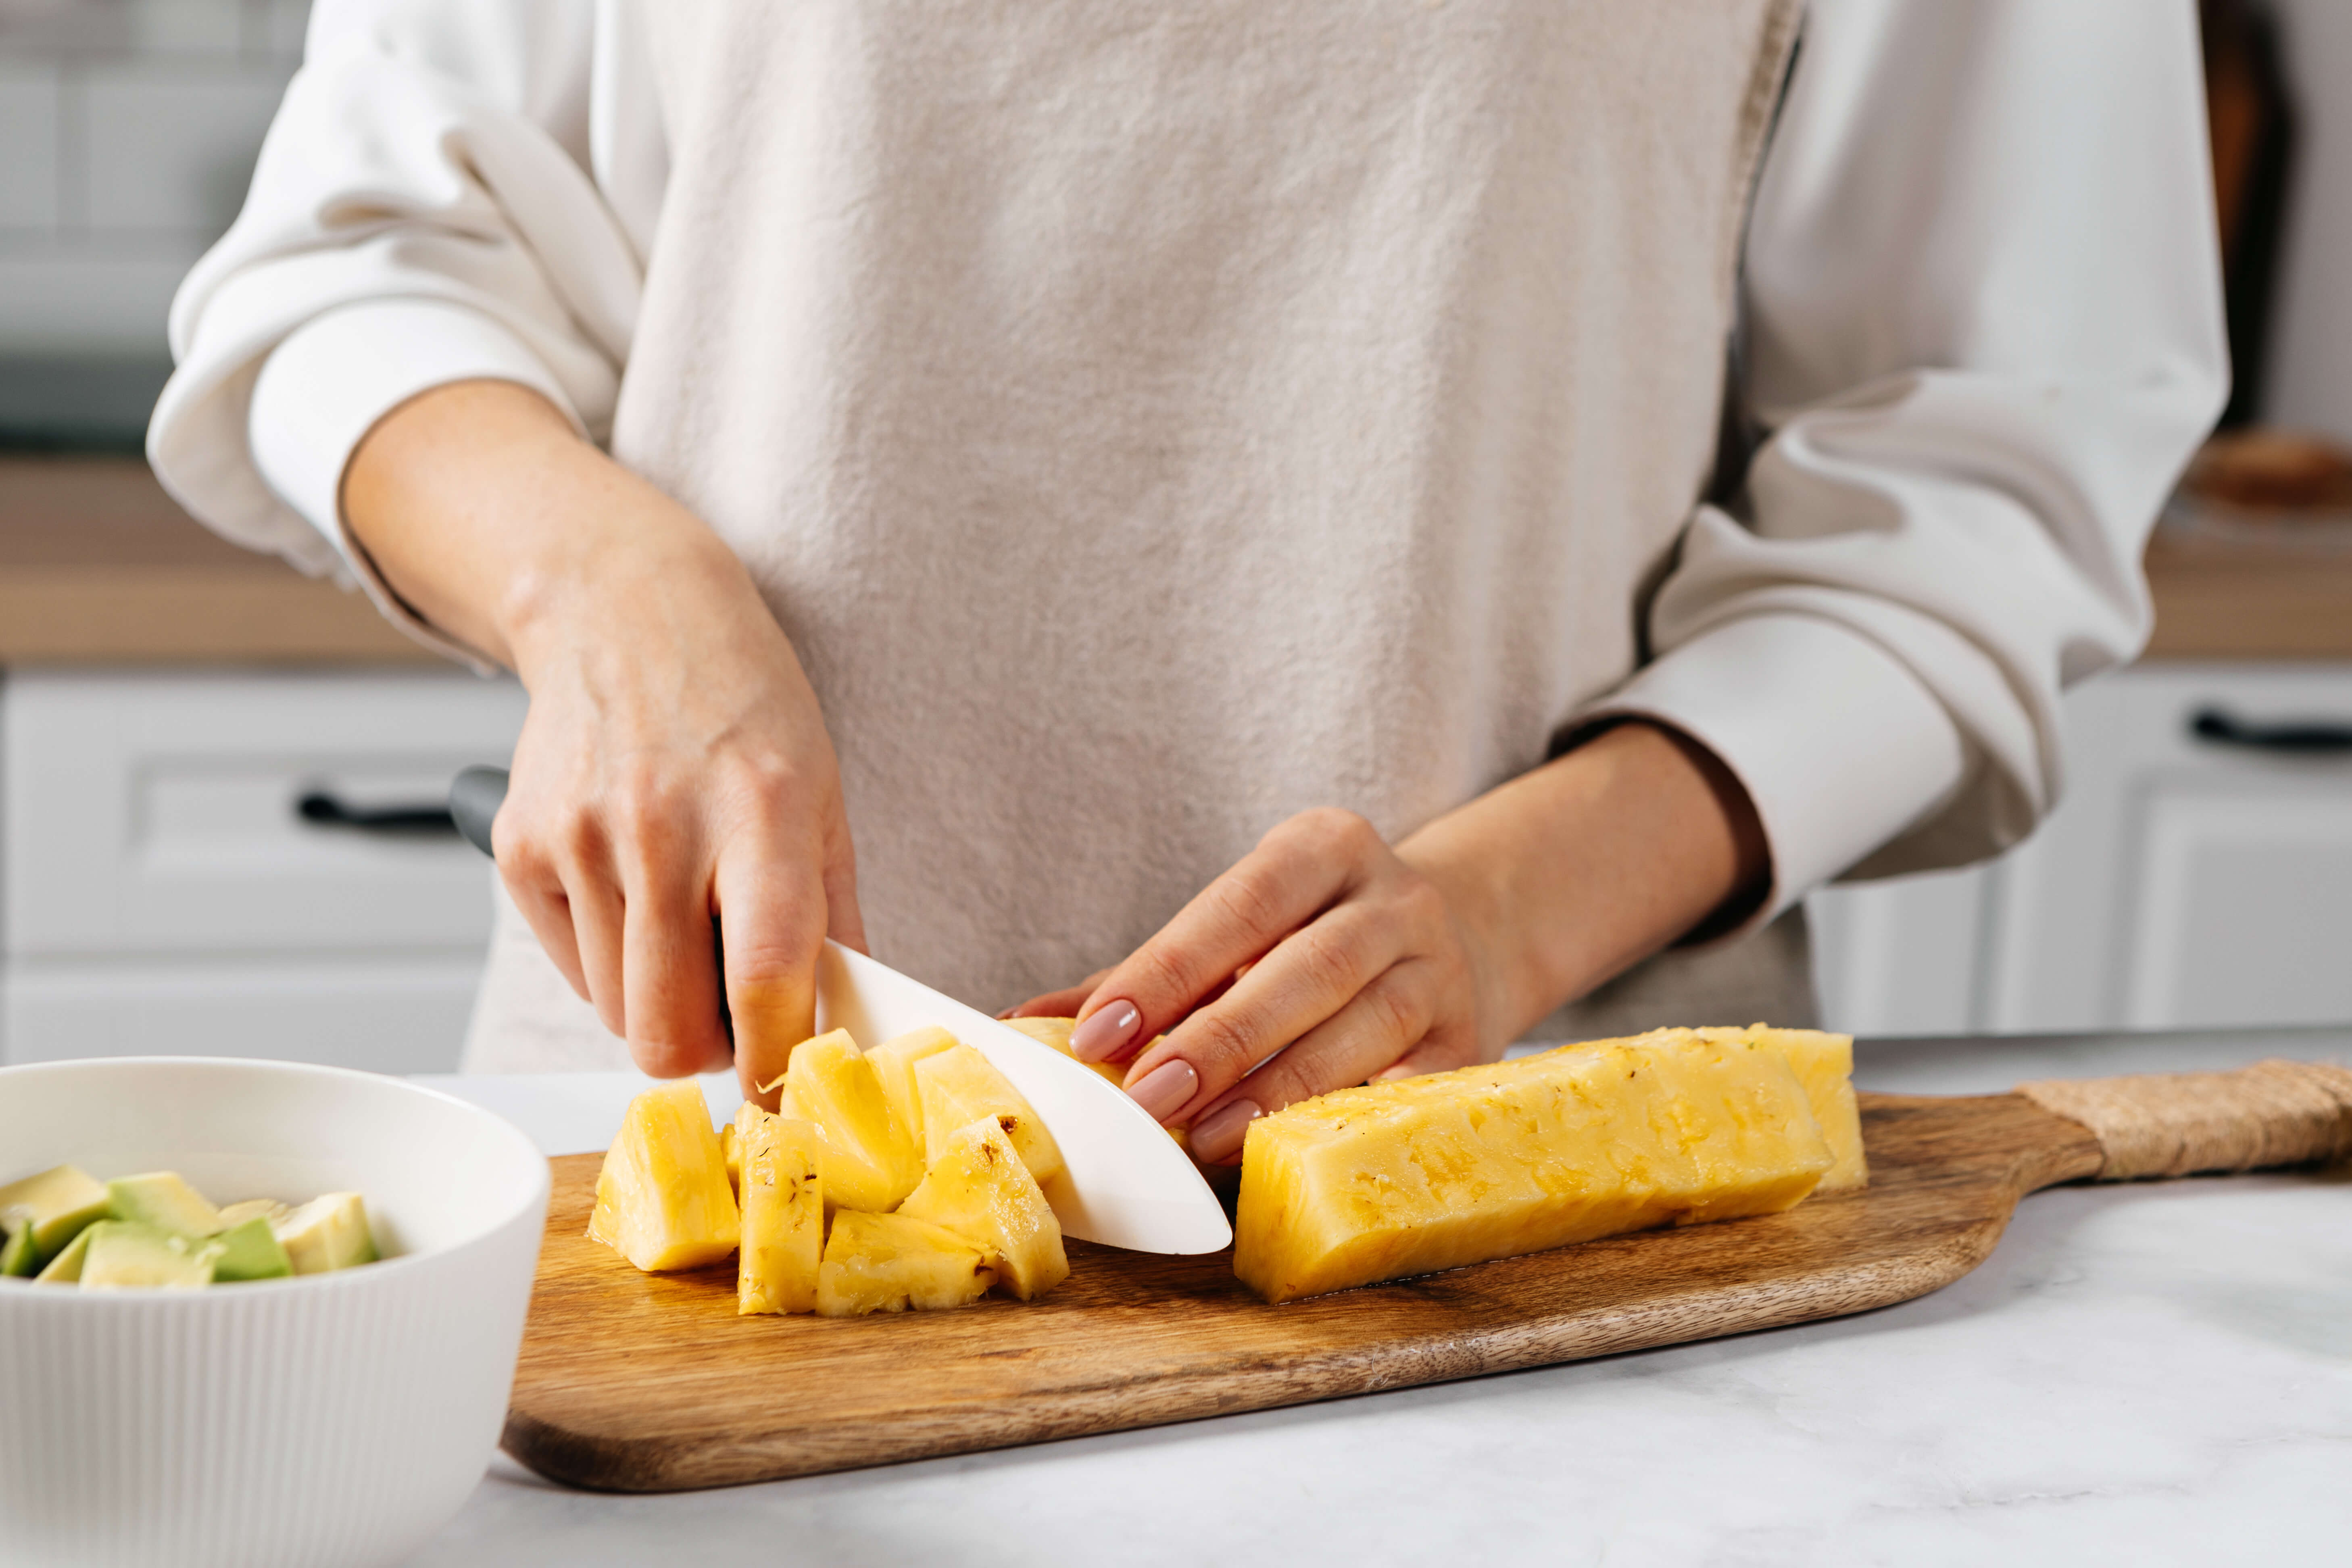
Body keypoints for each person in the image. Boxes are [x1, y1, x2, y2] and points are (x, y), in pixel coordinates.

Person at [148, 0, 2225, 1167]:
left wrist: (1488, 921)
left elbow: (1988, 463)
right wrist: (603, 584)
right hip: (690, 1143)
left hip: (1500, 1181)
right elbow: (360, 269)